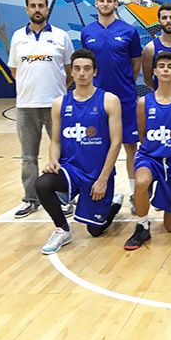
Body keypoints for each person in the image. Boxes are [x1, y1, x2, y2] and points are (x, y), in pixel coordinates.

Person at [35, 49, 123, 254]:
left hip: (97, 174)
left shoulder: (109, 100)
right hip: (71, 170)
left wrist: (103, 180)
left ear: (95, 72)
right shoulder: (59, 103)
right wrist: (53, 160)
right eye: (77, 69)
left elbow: (116, 142)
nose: (82, 73)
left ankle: (113, 204)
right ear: (71, 72)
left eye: (87, 69)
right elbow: (55, 141)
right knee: (42, 183)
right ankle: (62, 229)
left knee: (95, 230)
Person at [9, 0, 73, 218]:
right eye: (33, 5)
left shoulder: (61, 36)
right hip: (26, 106)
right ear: (27, 9)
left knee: (62, 154)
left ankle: (65, 199)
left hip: (55, 105)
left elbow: (69, 71)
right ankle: (31, 199)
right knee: (28, 157)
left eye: (41, 5)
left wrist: (56, 92)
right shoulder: (17, 37)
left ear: (47, 9)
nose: (37, 9)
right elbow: (15, 70)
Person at [123, 52, 171, 250]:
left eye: (170, 67)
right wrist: (156, 149)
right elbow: (143, 135)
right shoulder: (144, 102)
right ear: (154, 71)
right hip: (150, 157)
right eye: (161, 66)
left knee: (170, 226)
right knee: (141, 182)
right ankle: (142, 226)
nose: (165, 70)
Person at [81, 0, 142, 213]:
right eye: (101, 0)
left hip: (125, 98)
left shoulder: (129, 31)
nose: (105, 4)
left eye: (109, 1)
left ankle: (135, 195)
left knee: (130, 147)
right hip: (97, 101)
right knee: (99, 147)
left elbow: (136, 62)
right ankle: (103, 193)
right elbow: (86, 64)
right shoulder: (87, 32)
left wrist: (125, 83)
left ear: (116, 4)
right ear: (96, 3)